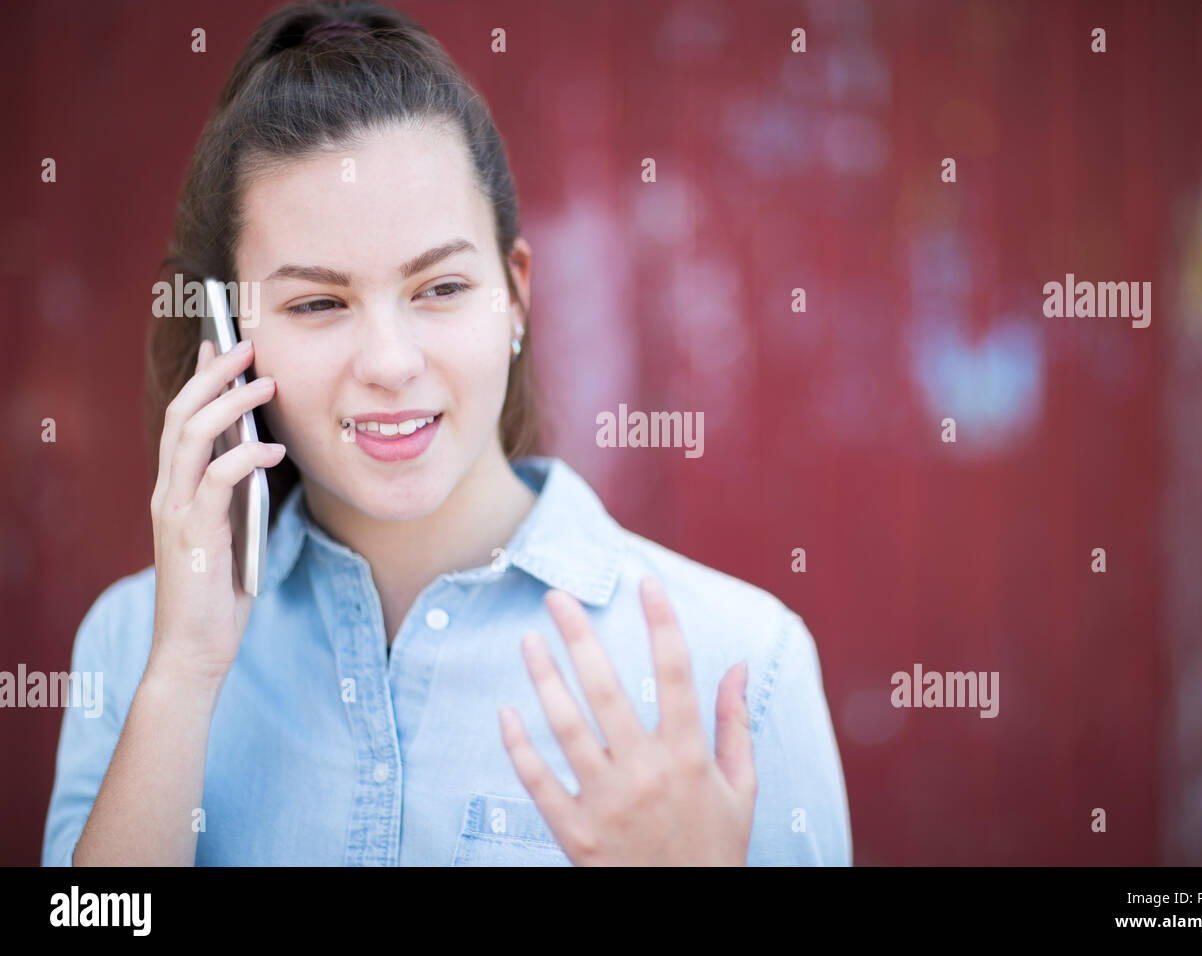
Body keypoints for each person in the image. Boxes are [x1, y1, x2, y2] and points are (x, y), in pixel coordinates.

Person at [41, 0, 851, 866]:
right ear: (229, 338)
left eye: (441, 289)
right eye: (318, 303)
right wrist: (182, 682)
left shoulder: (739, 662)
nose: (390, 362)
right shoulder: (133, 644)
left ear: (517, 294)